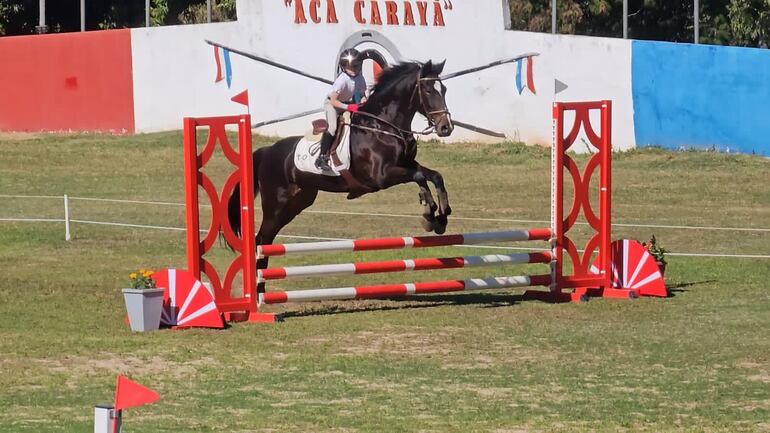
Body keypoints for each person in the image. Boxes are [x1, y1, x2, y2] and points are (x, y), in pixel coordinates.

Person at [315, 48, 367, 171]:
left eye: (356, 66)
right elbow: (333, 101)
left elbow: (362, 94)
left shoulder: (360, 78)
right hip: (332, 104)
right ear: (343, 67)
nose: (354, 69)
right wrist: (349, 107)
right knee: (332, 128)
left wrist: (364, 103)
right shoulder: (342, 80)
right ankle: (322, 157)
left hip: (345, 103)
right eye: (350, 67)